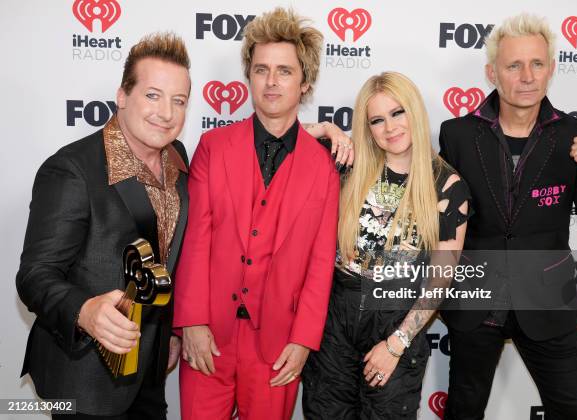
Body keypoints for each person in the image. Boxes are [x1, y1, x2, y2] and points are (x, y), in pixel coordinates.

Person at [439, 14, 577, 420]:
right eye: (514, 65)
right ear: (492, 72)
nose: (527, 76)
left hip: (549, 302)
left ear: (551, 69)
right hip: (475, 302)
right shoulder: (457, 135)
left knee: (576, 412)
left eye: (537, 64)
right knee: (464, 411)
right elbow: (442, 222)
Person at [173, 8, 340, 420]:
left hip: (278, 346)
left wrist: (303, 341)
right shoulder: (213, 147)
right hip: (209, 335)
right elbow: (195, 240)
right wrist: (191, 321)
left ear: (305, 84)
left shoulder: (323, 168)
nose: (271, 81)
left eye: (284, 71)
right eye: (261, 69)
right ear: (248, 75)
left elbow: (321, 265)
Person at [16, 33, 192, 419]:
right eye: (152, 95)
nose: (166, 112)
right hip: (85, 378)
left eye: (178, 101)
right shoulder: (73, 170)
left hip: (150, 369)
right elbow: (34, 274)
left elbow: (167, 256)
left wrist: (172, 332)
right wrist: (83, 311)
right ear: (122, 96)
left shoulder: (178, 161)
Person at [302, 71, 470, 419]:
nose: (390, 127)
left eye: (398, 113)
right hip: (335, 317)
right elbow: (280, 136)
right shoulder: (349, 165)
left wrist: (396, 345)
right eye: (377, 120)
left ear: (415, 111)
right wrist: (327, 130)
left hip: (396, 319)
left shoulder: (447, 185)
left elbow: (441, 278)